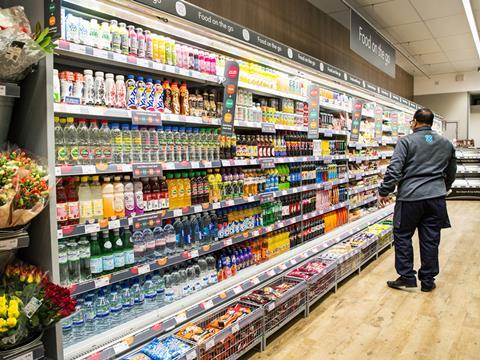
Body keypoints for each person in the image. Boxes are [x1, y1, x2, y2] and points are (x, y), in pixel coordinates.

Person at [378, 108, 456, 292]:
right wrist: (442, 188)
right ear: (431, 122)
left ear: (415, 122)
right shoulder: (445, 143)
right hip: (436, 198)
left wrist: (384, 191)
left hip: (410, 197)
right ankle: (428, 281)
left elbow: (395, 169)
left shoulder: (406, 141)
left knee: (403, 235)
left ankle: (407, 277)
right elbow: (452, 170)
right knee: (431, 239)